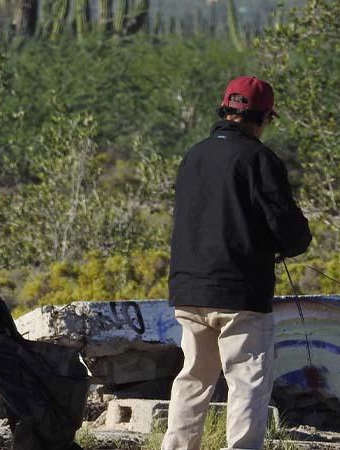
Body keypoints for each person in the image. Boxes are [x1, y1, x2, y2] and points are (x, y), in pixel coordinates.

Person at [163, 76, 312, 450]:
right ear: (263, 118)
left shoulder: (193, 155)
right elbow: (290, 232)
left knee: (192, 382)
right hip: (240, 296)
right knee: (247, 384)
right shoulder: (259, 159)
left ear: (225, 110)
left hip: (189, 290)